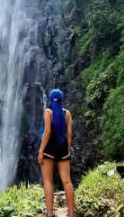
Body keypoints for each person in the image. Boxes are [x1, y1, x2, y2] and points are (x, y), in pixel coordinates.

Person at [38, 89, 75, 217]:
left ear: (50, 99)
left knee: (48, 181)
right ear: (61, 100)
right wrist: (68, 148)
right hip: (62, 148)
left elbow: (47, 132)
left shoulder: (48, 112)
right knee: (67, 181)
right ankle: (71, 213)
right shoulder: (67, 114)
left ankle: (49, 213)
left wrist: (41, 151)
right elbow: (69, 135)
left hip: (49, 149)